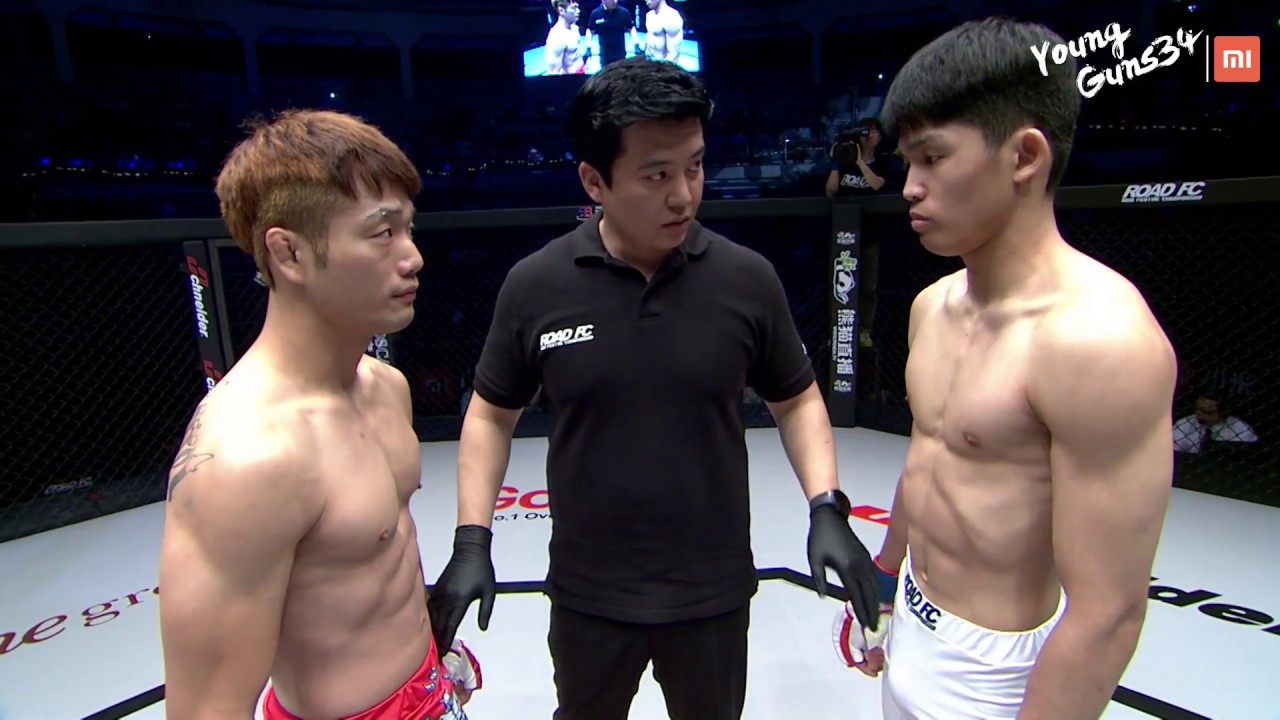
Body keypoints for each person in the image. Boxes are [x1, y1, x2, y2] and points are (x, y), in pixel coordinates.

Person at [427, 57, 881, 720]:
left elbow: (797, 398)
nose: (684, 195)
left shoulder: (746, 279)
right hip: (588, 594)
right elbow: (492, 416)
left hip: (712, 592)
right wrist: (473, 539)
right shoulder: (536, 285)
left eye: (694, 167)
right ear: (594, 180)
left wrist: (826, 507)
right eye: (656, 175)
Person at [831, 17, 1178, 719]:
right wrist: (886, 576)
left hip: (999, 676)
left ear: (1024, 156)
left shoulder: (1100, 341)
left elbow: (1108, 613)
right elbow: (930, 458)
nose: (910, 188)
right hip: (913, 615)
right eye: (907, 162)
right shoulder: (933, 306)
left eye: (933, 158)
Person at [157, 109, 481, 720]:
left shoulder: (386, 387)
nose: (413, 257)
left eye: (409, 229)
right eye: (382, 233)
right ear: (289, 254)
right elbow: (207, 708)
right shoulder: (248, 458)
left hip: (428, 687)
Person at [585, 0, 640, 68]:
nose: (615, 1)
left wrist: (636, 44)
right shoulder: (596, 13)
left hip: (620, 55)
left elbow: (631, 28)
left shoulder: (624, 12)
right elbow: (590, 30)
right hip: (604, 56)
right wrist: (588, 47)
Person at [545, 0, 586, 75]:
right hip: (572, 78)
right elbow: (554, 72)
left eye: (578, 7)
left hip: (581, 70)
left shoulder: (575, 28)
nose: (578, 11)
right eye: (573, 8)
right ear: (561, 10)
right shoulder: (556, 37)